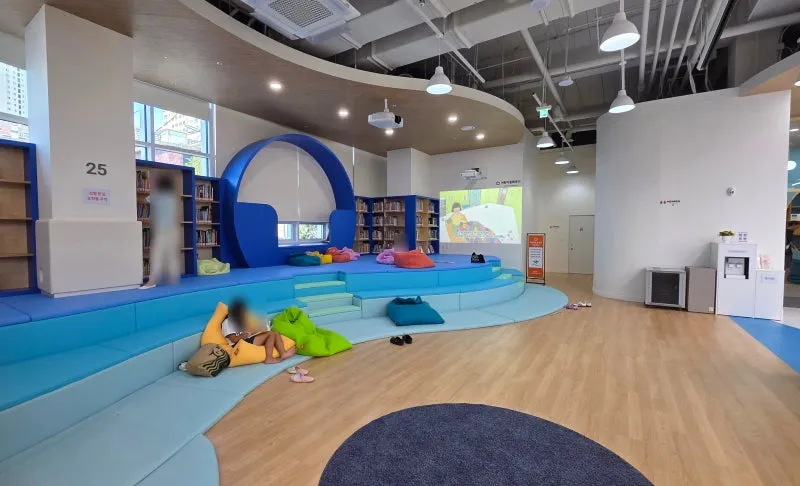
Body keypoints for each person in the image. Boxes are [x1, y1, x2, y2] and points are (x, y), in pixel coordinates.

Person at [222, 299, 295, 364]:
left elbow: (249, 333)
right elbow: (234, 339)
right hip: (238, 344)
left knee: (275, 333)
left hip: (248, 339)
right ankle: (269, 358)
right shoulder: (227, 322)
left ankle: (283, 353)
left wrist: (258, 330)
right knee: (270, 334)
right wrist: (245, 335)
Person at [141, 175, 180, 289]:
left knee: (156, 256)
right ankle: (173, 280)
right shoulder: (172, 198)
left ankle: (152, 281)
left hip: (162, 231)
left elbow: (143, 200)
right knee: (172, 255)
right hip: (173, 231)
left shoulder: (157, 196)